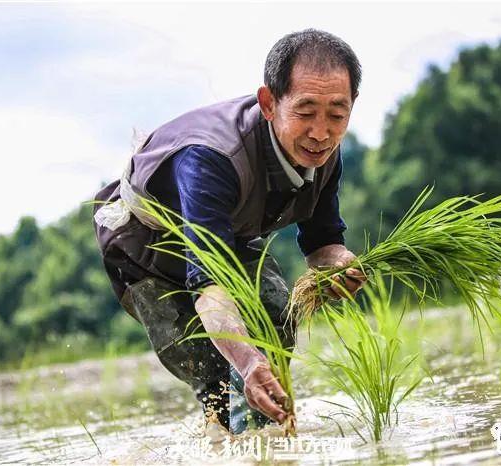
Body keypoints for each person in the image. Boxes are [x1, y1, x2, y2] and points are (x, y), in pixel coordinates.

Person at [92, 28, 366, 434]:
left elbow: (322, 243)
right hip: (147, 248)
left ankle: (268, 443)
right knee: (218, 373)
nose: (321, 132)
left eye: (337, 115)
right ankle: (228, 436)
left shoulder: (324, 153)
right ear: (269, 103)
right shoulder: (210, 158)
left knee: (276, 314)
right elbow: (211, 291)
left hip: (226, 235)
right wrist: (248, 362)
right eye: (306, 112)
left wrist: (345, 265)